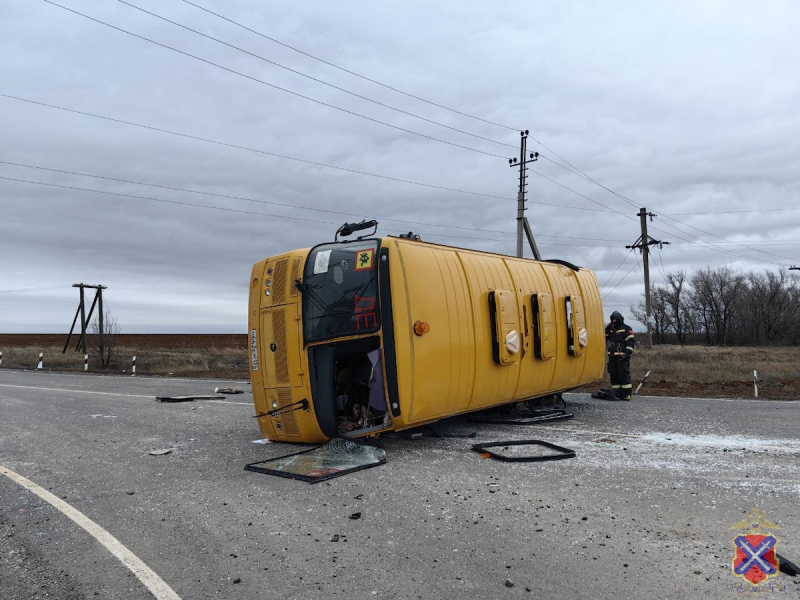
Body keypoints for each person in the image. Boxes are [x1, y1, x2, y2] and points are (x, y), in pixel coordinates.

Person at [604, 311, 635, 401]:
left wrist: (627, 355)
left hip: (622, 357)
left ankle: (626, 394)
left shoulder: (626, 329)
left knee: (624, 375)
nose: (614, 321)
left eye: (615, 319)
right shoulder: (611, 330)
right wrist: (608, 327)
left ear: (620, 319)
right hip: (612, 357)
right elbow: (605, 337)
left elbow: (630, 343)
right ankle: (617, 393)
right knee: (613, 374)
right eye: (612, 319)